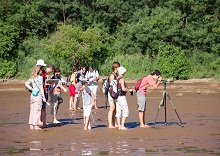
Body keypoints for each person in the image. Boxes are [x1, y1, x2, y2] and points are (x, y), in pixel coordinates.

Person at [25, 65, 46, 130]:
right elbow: (41, 88)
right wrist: (44, 97)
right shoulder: (40, 78)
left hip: (33, 95)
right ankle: (35, 125)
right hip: (38, 95)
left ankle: (31, 125)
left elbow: (26, 84)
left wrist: (32, 89)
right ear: (39, 71)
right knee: (37, 111)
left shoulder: (33, 77)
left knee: (32, 110)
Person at [39, 62, 55, 128]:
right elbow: (42, 83)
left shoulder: (45, 73)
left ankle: (42, 121)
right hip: (42, 91)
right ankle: (41, 121)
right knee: (42, 107)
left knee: (43, 107)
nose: (51, 72)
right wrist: (49, 83)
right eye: (51, 70)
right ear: (50, 68)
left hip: (45, 91)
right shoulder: (43, 73)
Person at [108, 62, 120, 128]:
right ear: (115, 68)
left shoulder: (116, 74)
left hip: (115, 93)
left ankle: (114, 123)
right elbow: (112, 85)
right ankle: (110, 124)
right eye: (118, 67)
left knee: (115, 108)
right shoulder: (112, 75)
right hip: (111, 93)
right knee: (112, 108)